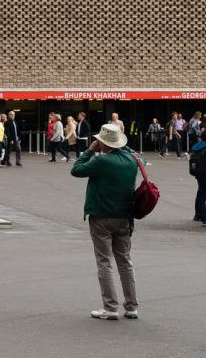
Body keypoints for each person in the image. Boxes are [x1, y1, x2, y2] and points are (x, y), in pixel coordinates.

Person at [72, 122, 139, 321]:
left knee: (104, 262)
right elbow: (136, 154)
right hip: (124, 217)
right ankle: (132, 306)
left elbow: (76, 170)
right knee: (125, 262)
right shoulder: (132, 158)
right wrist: (121, 144)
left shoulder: (102, 161)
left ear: (101, 142)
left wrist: (89, 151)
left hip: (101, 215)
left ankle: (110, 307)